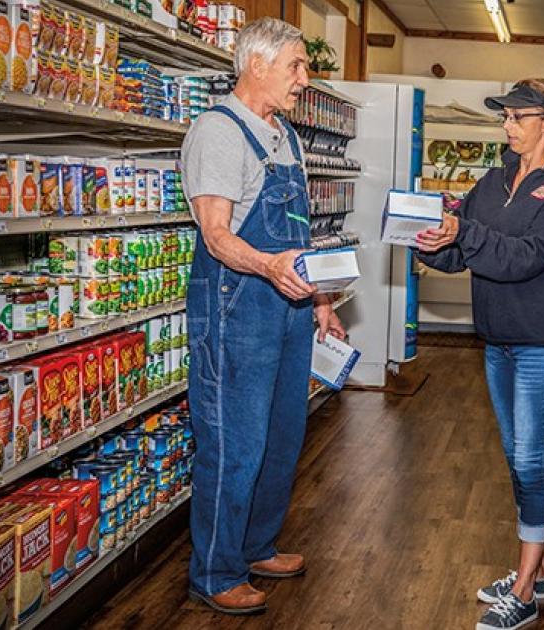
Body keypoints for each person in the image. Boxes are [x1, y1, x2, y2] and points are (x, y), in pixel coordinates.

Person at [180, 17, 345, 615]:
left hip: (290, 311)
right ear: (257, 65)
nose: (305, 78)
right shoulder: (218, 132)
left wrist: (322, 300)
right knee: (233, 444)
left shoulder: (286, 137)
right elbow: (217, 235)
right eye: (296, 66)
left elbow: (299, 235)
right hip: (236, 310)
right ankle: (215, 571)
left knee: (282, 437)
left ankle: (256, 547)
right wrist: (271, 267)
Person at [416, 79, 544, 630]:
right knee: (518, 460)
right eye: (504, 117)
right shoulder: (490, 182)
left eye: (519, 116)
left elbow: (526, 256)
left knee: (533, 462)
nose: (508, 126)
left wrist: (463, 231)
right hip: (499, 341)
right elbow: (467, 250)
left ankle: (524, 590)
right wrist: (428, 242)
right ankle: (539, 570)